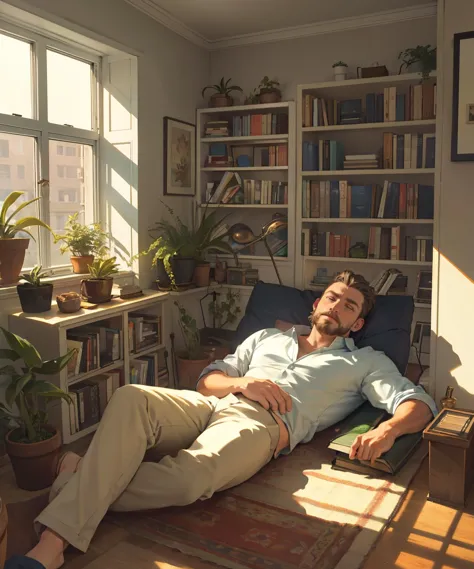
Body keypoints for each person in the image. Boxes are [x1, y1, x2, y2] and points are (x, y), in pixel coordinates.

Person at [16, 270, 436, 569]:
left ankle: (67, 504)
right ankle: (59, 532)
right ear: (316, 303)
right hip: (215, 403)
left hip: (263, 425)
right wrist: (241, 384)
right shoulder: (267, 337)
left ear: (357, 323)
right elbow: (208, 379)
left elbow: (416, 402)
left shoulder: (364, 362)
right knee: (131, 397)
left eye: (349, 305)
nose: (337, 306)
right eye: (332, 296)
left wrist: (388, 429)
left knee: (188, 481)